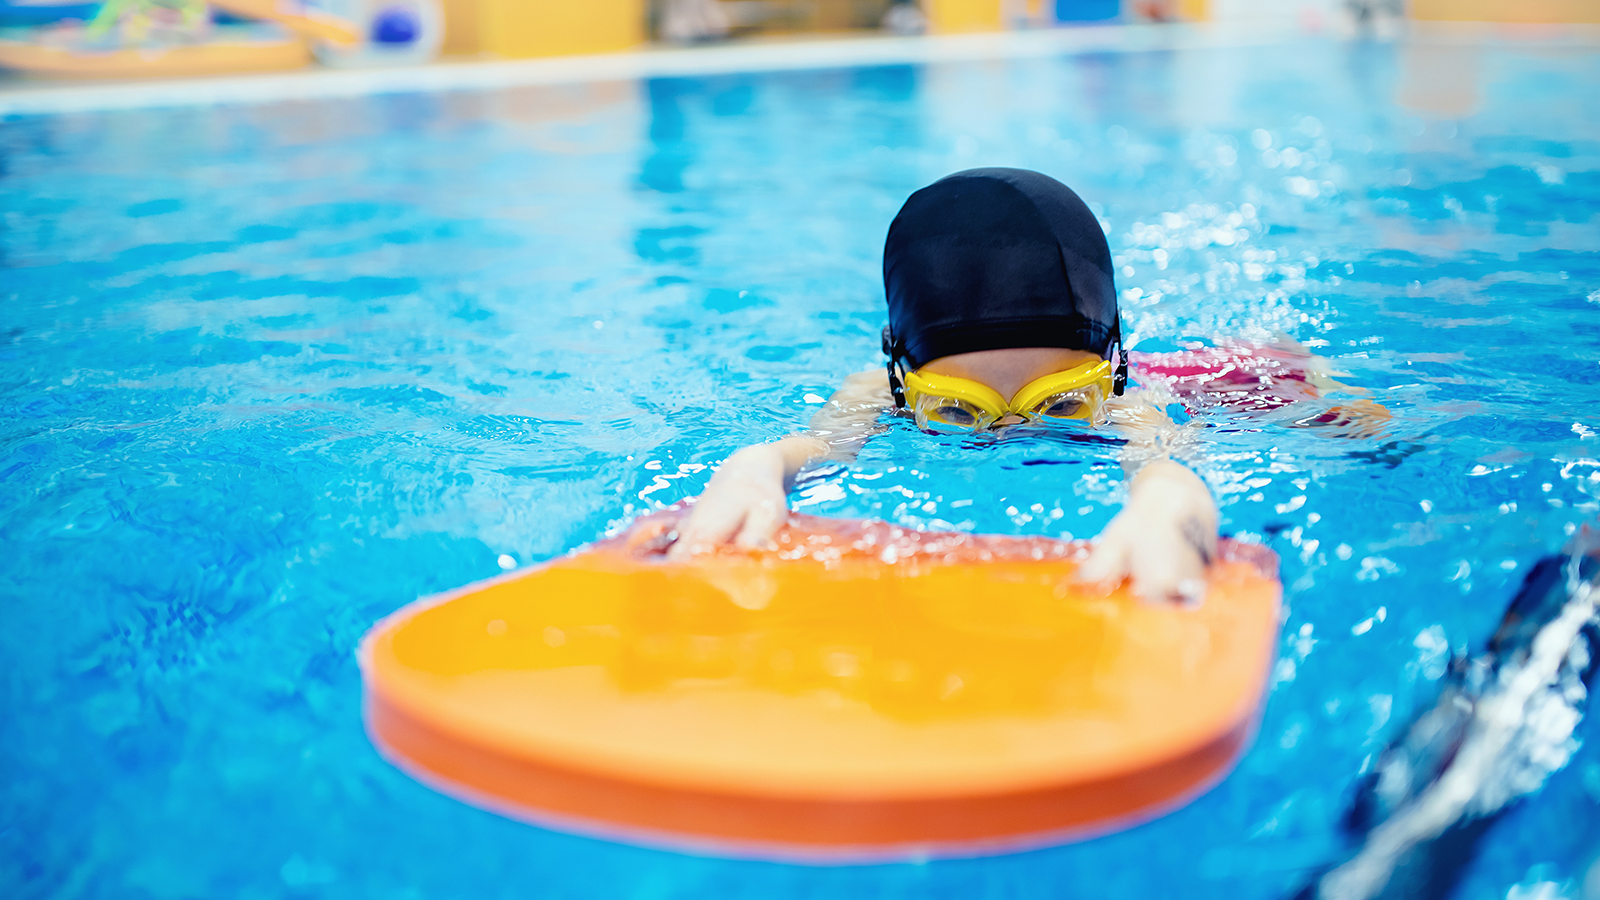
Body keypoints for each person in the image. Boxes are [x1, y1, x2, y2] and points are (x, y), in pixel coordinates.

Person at [666, 168, 1243, 602]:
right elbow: (821, 449)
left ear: (1113, 371)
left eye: (1061, 402)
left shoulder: (1133, 406)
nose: (1014, 436)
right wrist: (755, 466)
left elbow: (1168, 468)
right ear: (902, 385)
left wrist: (1169, 506)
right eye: (961, 410)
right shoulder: (873, 394)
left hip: (1196, 379)